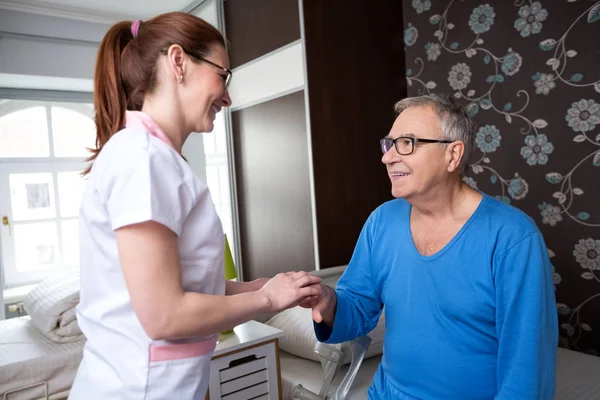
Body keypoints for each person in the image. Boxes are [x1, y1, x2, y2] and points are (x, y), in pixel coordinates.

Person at [69, 12, 320, 400]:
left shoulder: (153, 158)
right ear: (178, 62)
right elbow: (164, 314)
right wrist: (267, 299)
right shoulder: (143, 159)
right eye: (223, 75)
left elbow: (184, 283)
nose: (227, 96)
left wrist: (259, 288)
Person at [310, 94, 558, 399]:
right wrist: (328, 304)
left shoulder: (513, 238)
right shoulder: (381, 222)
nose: (388, 157)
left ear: (452, 155)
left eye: (407, 143)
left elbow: (526, 367)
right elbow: (359, 307)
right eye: (389, 144)